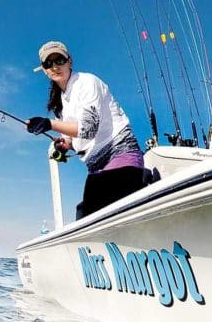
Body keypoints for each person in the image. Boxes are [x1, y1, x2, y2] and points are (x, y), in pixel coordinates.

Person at [26, 41, 145, 219]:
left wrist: (49, 124)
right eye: (48, 64)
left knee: (92, 219)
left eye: (59, 60)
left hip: (121, 159)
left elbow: (88, 129)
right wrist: (65, 145)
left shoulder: (87, 82)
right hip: (96, 169)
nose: (55, 67)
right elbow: (75, 137)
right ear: (44, 69)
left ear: (70, 61)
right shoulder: (60, 102)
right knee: (83, 215)